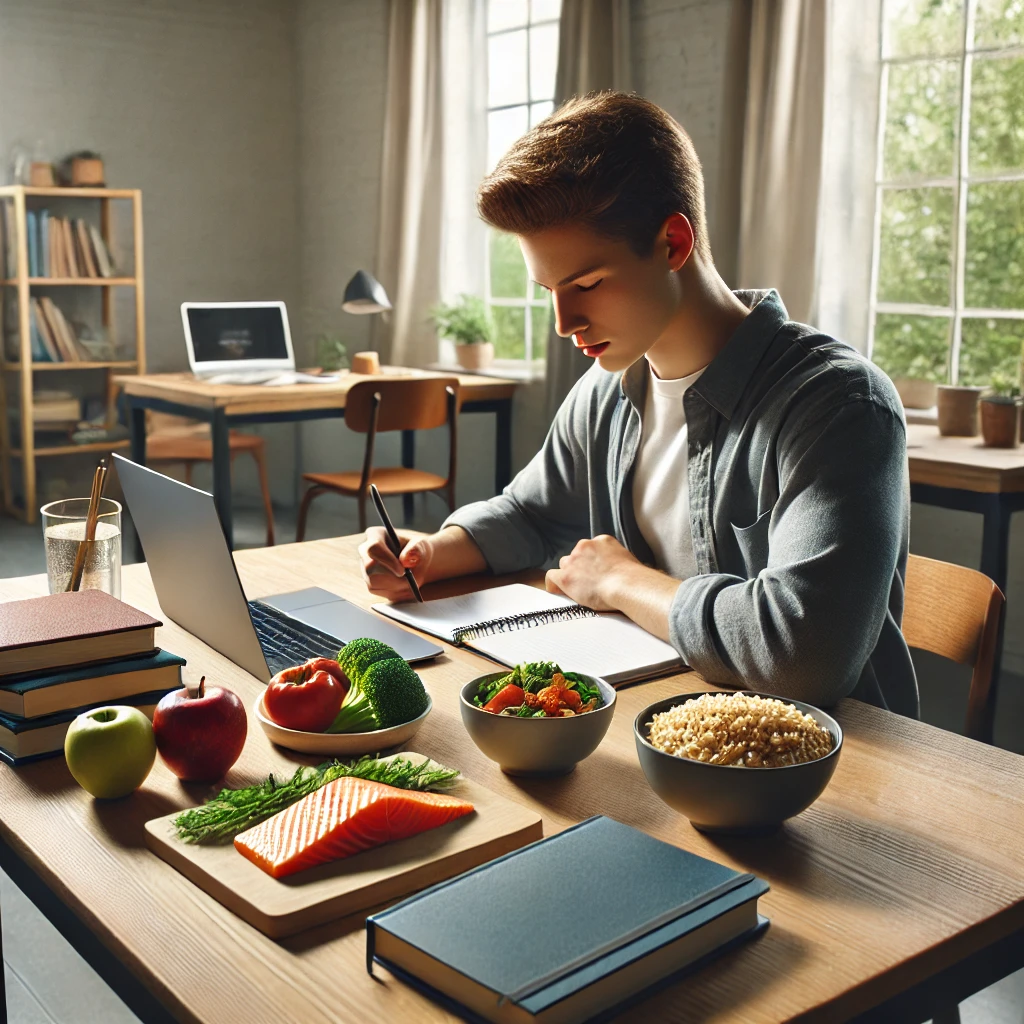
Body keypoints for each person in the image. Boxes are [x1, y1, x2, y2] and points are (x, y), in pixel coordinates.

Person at [360, 91, 917, 716]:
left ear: (673, 243)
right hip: (672, 724)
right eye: (548, 289)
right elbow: (534, 513)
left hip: (833, 769)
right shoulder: (606, 389)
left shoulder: (837, 406)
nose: (565, 321)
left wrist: (621, 580)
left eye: (588, 283)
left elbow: (805, 652)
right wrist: (432, 552)